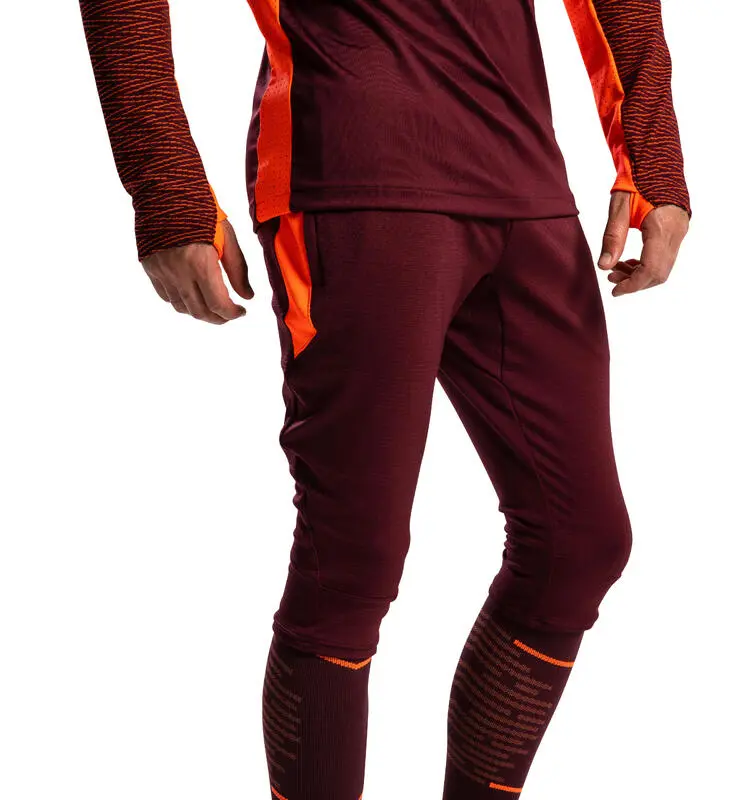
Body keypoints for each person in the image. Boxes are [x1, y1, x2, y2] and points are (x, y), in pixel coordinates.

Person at [78, 1, 691, 797]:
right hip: (352, 161)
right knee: (351, 561)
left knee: (582, 542)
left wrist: (654, 156)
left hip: (521, 167)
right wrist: (165, 188)